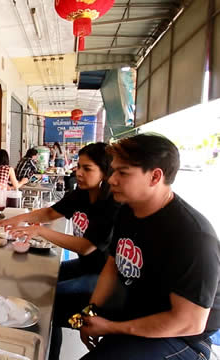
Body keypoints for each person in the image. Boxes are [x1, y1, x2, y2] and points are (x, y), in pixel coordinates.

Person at [79, 134, 219, 360]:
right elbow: (112, 267)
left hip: (182, 339)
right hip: (135, 311)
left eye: (122, 173)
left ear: (155, 176)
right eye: (113, 170)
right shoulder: (128, 210)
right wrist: (90, 313)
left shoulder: (193, 235)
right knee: (51, 300)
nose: (111, 179)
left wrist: (109, 327)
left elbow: (189, 323)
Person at [0, 143, 120, 360]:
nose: (78, 172)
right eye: (79, 166)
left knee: (49, 307)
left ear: (105, 172)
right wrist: (15, 219)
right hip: (86, 265)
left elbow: (85, 246)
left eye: (87, 168)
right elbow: (51, 212)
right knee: (42, 284)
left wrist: (38, 231)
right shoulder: (82, 193)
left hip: (103, 276)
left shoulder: (111, 204)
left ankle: (75, 326)